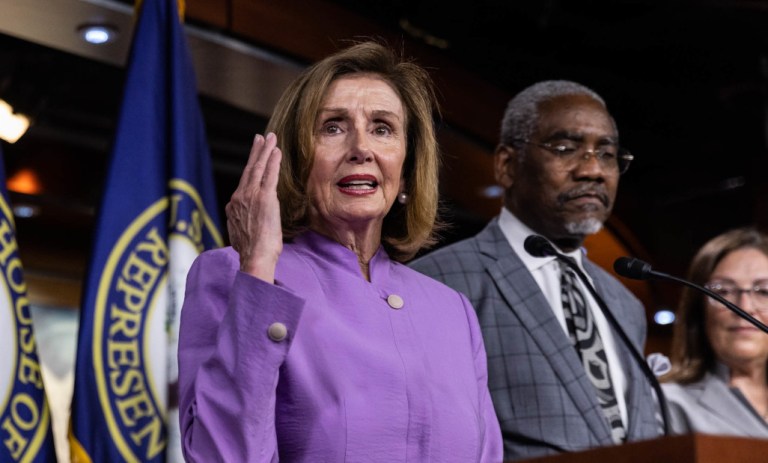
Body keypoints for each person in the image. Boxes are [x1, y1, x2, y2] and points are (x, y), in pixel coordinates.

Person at [177, 41, 502, 462]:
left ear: (406, 169)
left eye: (382, 128)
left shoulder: (453, 312)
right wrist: (257, 266)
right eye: (332, 126)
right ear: (295, 158)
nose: (360, 148)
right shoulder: (233, 274)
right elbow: (222, 456)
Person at [410, 80, 662, 460]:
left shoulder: (624, 303)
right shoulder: (437, 282)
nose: (593, 170)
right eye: (566, 148)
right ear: (507, 165)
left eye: (607, 154)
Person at [661, 227, 768, 438]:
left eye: (764, 291)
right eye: (723, 292)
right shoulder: (667, 403)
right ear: (698, 310)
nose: (744, 307)